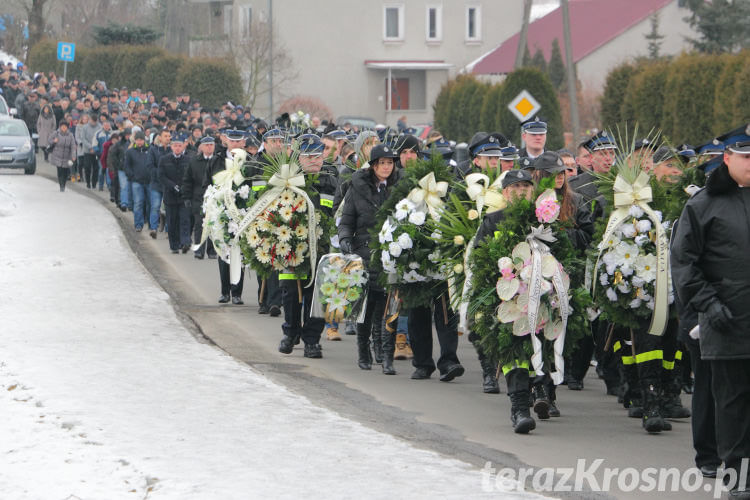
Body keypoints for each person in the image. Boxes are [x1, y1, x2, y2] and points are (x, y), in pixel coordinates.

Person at [671, 127, 750, 497]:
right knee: (732, 403)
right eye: (746, 157)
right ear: (728, 158)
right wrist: (708, 303)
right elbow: (684, 263)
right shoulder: (703, 204)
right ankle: (737, 475)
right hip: (727, 319)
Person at [339, 144, 401, 373]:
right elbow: (346, 221)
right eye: (382, 163)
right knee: (365, 306)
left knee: (390, 305)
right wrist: (345, 239)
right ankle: (363, 352)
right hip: (364, 252)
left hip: (392, 253)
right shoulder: (357, 187)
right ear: (373, 165)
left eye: (390, 163)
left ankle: (387, 357)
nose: (386, 167)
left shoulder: (399, 188)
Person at [277, 134, 339, 359]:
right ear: (299, 158)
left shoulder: (332, 181)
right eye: (308, 156)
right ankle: (290, 332)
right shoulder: (288, 180)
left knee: (317, 298)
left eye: (317, 155)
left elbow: (338, 213)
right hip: (292, 247)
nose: (313, 160)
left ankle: (312, 340)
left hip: (321, 250)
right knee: (290, 294)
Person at [204, 129, 248, 305]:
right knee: (223, 251)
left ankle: (237, 293)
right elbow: (207, 183)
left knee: (239, 252)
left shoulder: (249, 161)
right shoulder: (217, 160)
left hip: (242, 210)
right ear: (226, 142)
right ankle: (225, 292)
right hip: (221, 209)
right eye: (232, 142)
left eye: (238, 142)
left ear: (243, 143)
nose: (235, 145)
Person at [182, 136, 219, 259]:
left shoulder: (218, 160)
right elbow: (187, 180)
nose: (209, 147)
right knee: (199, 224)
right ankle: (199, 249)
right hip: (198, 197)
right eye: (207, 145)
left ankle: (212, 250)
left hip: (215, 197)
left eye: (211, 145)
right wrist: (187, 197)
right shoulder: (194, 161)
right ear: (201, 147)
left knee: (214, 225)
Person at [159, 132, 193, 254]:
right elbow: (161, 176)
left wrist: (185, 187)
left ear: (183, 146)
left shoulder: (188, 160)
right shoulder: (164, 159)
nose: (177, 148)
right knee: (172, 221)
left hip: (184, 196)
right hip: (170, 195)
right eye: (175, 145)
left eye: (179, 145)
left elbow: (190, 176)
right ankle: (174, 245)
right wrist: (173, 186)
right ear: (171, 146)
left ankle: (185, 242)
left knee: (184, 219)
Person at [123, 131, 154, 232]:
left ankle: (151, 224)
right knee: (138, 203)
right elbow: (126, 166)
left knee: (150, 203)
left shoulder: (150, 149)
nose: (139, 142)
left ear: (144, 140)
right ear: (135, 140)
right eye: (137, 140)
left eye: (141, 140)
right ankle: (138, 224)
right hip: (136, 181)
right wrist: (132, 176)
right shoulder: (130, 152)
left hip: (149, 181)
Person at [48, 121, 77, 192]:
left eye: (65, 127)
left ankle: (64, 183)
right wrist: (54, 141)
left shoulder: (70, 135)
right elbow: (49, 140)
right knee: (60, 171)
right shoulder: (56, 133)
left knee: (65, 172)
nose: (64, 128)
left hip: (67, 156)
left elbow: (73, 146)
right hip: (57, 155)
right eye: (62, 126)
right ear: (60, 127)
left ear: (67, 127)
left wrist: (73, 155)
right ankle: (61, 185)